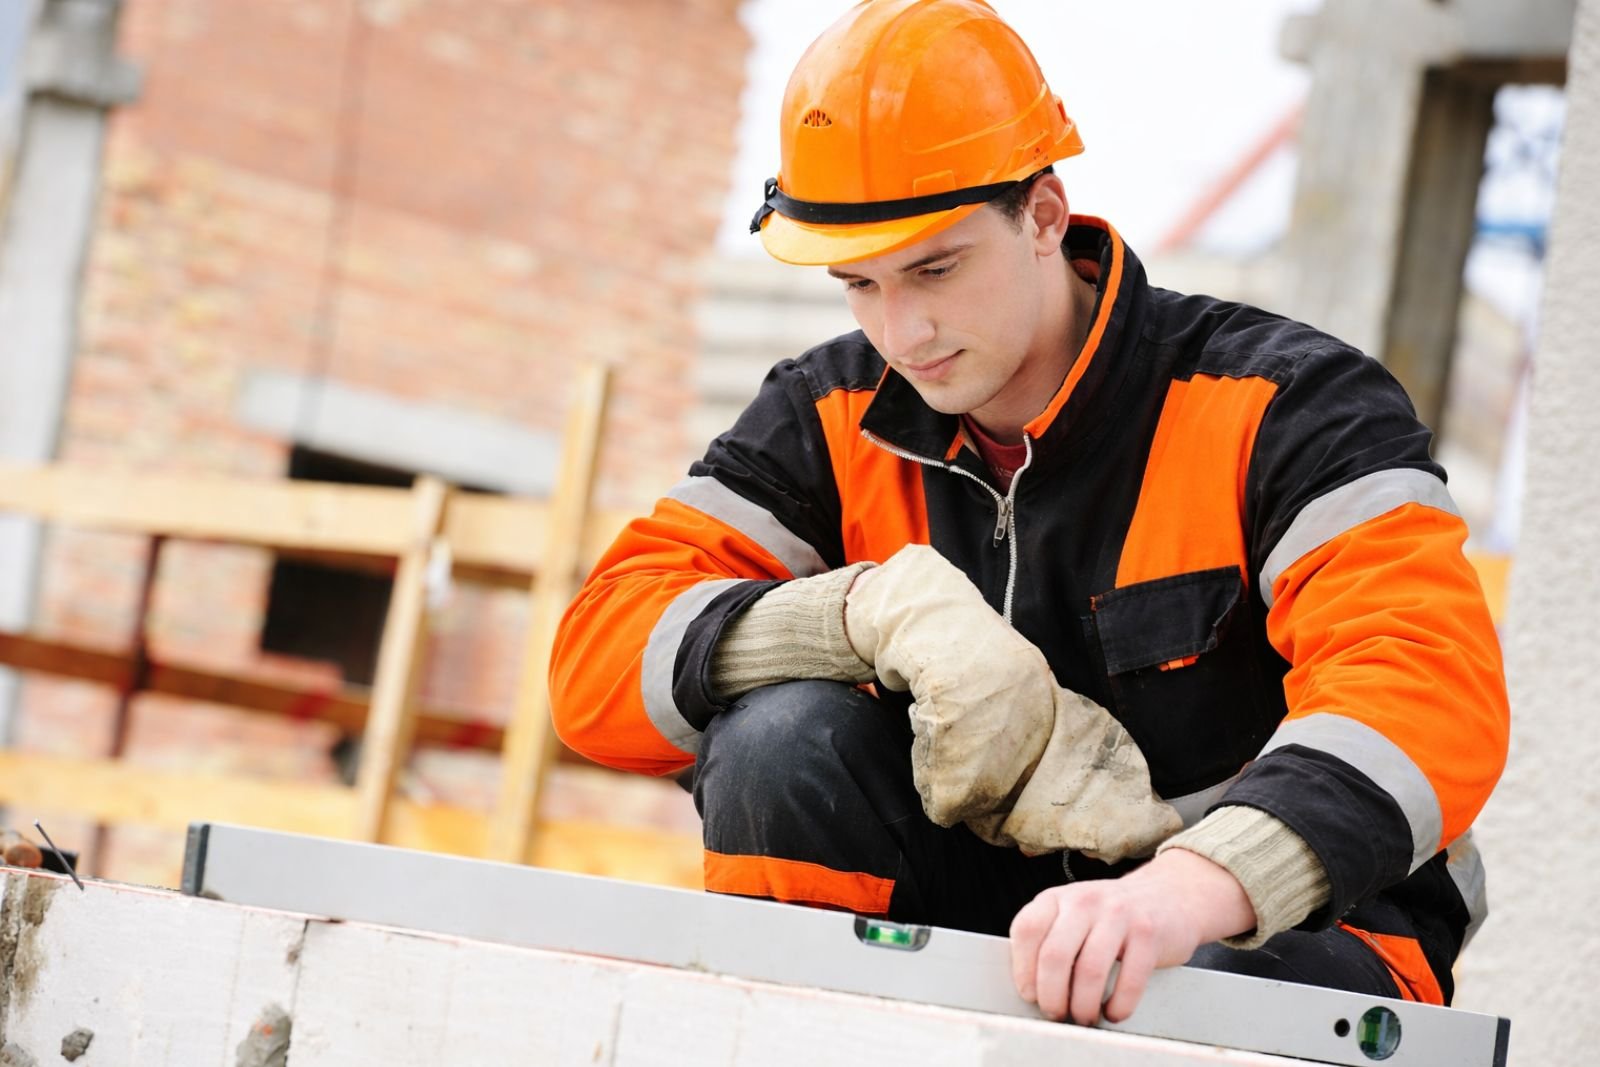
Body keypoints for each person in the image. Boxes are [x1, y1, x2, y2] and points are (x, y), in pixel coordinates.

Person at [550, 0, 1509, 1027]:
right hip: (997, 921)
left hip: (1282, 938)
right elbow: (595, 662)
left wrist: (1181, 889)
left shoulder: (1286, 403)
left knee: (1183, 989)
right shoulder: (827, 412)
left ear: (1044, 212)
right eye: (859, 284)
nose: (901, 329)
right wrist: (858, 616)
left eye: (935, 267)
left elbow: (1424, 691)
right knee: (784, 734)